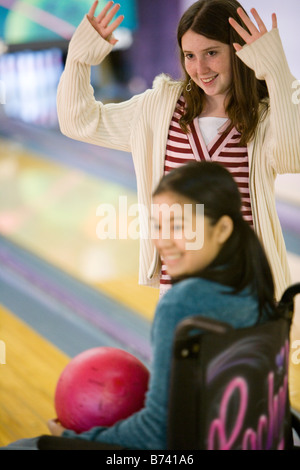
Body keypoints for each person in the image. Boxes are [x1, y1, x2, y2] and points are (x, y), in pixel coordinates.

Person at [0, 161, 280, 450]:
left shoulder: (182, 303)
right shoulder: (255, 289)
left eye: (179, 226)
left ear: (221, 229)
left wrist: (73, 442)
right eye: (158, 226)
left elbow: (154, 435)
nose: (163, 241)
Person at [56, 0, 300, 301]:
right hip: (180, 292)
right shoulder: (159, 108)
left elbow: (293, 157)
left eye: (211, 53)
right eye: (190, 56)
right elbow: (78, 122)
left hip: (247, 291)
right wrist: (78, 59)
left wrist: (278, 74)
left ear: (237, 51)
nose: (200, 68)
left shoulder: (263, 116)